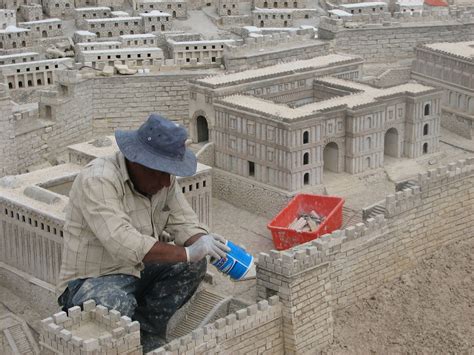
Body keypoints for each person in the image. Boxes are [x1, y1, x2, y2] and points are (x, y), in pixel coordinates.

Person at [57, 114, 229, 352]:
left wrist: (204, 243)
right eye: (161, 172)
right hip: (93, 279)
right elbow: (123, 243)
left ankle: (146, 333)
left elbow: (184, 222)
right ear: (137, 161)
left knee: (193, 265)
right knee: (113, 304)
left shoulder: (161, 181)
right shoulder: (99, 180)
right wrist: (188, 252)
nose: (167, 182)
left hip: (137, 270)